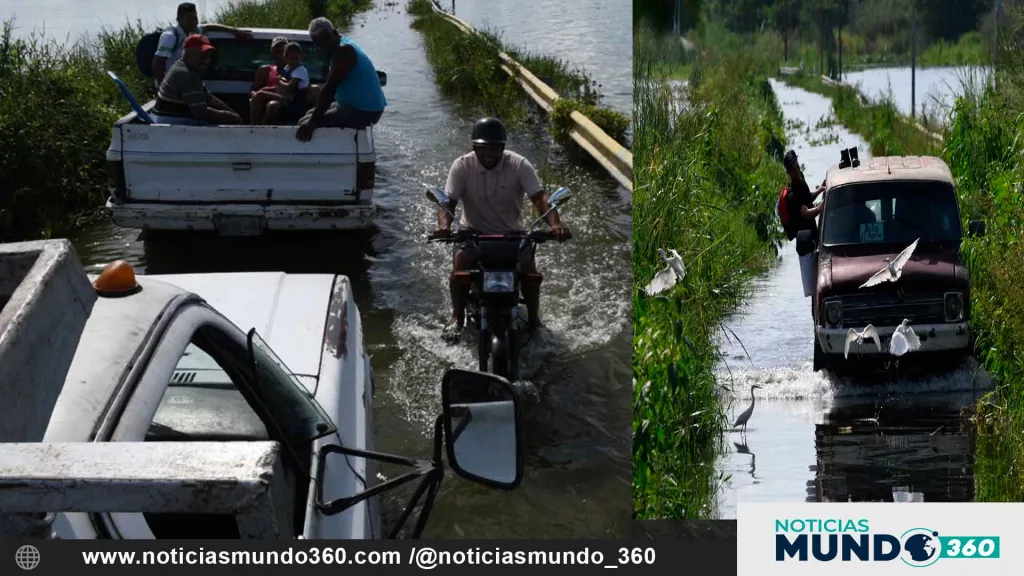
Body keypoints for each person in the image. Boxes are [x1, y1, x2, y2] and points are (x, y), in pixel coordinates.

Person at [433, 118, 571, 340]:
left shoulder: (519, 164)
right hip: (472, 232)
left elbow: (539, 198)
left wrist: (555, 224)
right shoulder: (462, 165)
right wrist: (444, 226)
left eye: (495, 148)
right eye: (484, 148)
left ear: (503, 147)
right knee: (460, 266)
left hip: (511, 234)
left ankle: (534, 320)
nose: (490, 153)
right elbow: (448, 202)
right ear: (474, 147)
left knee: (529, 269)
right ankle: (456, 317)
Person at [296, 17, 386, 142]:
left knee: (306, 123)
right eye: (320, 44)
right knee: (307, 116)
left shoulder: (344, 51)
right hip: (354, 106)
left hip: (364, 111)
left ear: (334, 33)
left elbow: (330, 89)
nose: (324, 47)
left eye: (326, 41)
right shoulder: (340, 45)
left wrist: (312, 124)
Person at [151, 35, 244, 126]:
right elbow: (201, 112)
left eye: (208, 56)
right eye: (202, 56)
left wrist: (232, 113)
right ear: (187, 52)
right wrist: (231, 117)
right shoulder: (186, 74)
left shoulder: (184, 67)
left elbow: (208, 97)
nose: (206, 61)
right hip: (172, 125)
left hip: (170, 120)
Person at [152, 3, 253, 87]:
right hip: (171, 84)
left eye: (195, 19)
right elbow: (157, 64)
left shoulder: (193, 30)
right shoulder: (170, 36)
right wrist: (163, 88)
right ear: (179, 19)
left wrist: (234, 31)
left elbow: (209, 27)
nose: (194, 22)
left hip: (185, 82)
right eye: (190, 19)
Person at [782, 149, 826, 302]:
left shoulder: (801, 182)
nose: (796, 168)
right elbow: (806, 212)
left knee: (819, 278)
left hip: (813, 237)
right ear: (788, 171)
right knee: (815, 285)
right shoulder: (793, 194)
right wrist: (821, 208)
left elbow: (808, 198)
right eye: (793, 166)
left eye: (796, 164)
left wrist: (820, 189)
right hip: (807, 243)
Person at [249, 43, 310, 125]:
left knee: (260, 95)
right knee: (258, 95)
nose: (294, 61)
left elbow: (290, 86)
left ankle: (259, 128)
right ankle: (253, 125)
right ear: (285, 58)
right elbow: (283, 81)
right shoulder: (288, 68)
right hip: (284, 96)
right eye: (291, 58)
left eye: (296, 59)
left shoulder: (300, 70)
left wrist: (279, 82)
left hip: (293, 100)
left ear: (302, 57)